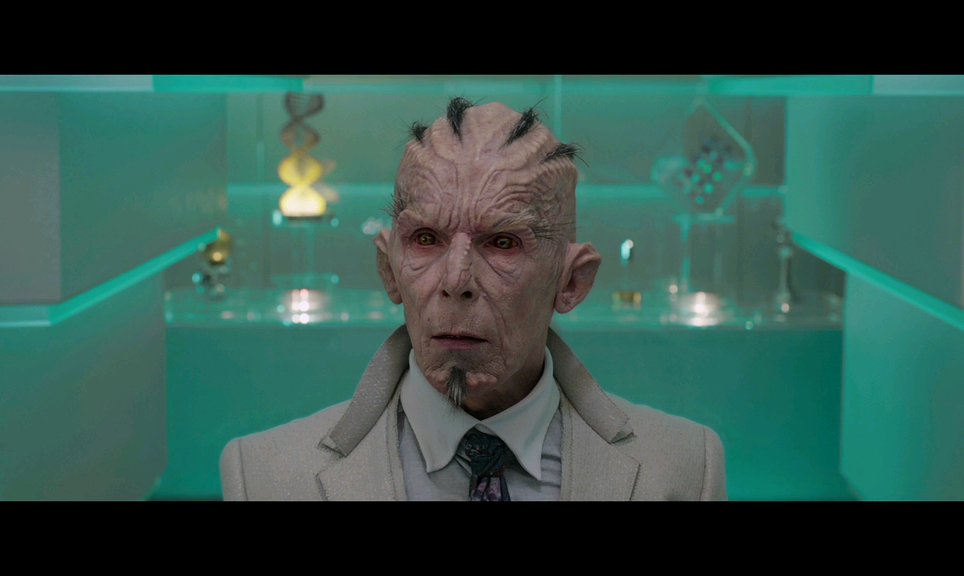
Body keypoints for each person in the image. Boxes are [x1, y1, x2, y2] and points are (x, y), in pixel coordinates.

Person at [219, 98, 727, 500]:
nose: (456, 279)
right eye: (425, 239)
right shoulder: (263, 478)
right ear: (388, 271)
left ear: (571, 283)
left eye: (502, 242)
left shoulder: (683, 470)